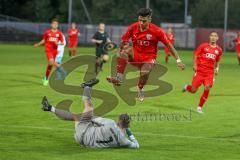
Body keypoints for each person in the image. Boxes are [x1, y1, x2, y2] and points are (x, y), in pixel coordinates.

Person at [106, 8, 185, 101]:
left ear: (149, 20)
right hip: (135, 54)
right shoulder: (133, 27)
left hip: (149, 57)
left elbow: (169, 46)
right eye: (139, 20)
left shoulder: (157, 31)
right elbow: (124, 41)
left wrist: (178, 60)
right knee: (123, 52)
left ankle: (140, 88)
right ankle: (118, 78)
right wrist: (120, 50)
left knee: (144, 72)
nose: (141, 23)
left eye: (144, 21)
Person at [41, 79, 139, 148]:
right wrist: (129, 133)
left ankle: (86, 87)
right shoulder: (123, 142)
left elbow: (93, 118)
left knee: (88, 108)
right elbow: (136, 145)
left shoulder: (111, 124)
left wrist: (85, 116)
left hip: (84, 132)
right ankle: (49, 108)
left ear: (118, 121)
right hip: (84, 142)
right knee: (77, 117)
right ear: (127, 125)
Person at [182, 31, 223, 113]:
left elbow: (217, 61)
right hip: (200, 71)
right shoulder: (203, 46)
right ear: (209, 37)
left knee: (207, 87)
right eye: (212, 35)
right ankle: (187, 87)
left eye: (215, 36)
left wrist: (217, 69)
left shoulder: (219, 50)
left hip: (209, 73)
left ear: (217, 38)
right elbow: (196, 55)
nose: (213, 37)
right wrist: (195, 65)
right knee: (193, 90)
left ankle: (199, 107)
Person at [34, 19, 67, 86]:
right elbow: (44, 40)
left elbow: (63, 43)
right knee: (51, 62)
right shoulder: (47, 32)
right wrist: (38, 44)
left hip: (55, 51)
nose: (55, 25)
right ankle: (60, 68)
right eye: (53, 24)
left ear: (57, 25)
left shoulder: (59, 33)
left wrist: (58, 43)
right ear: (51, 25)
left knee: (50, 65)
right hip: (48, 50)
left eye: (56, 24)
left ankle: (46, 78)